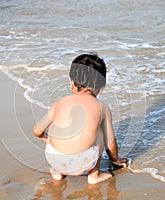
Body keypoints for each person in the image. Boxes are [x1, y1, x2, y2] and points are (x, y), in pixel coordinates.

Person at [33, 53, 128, 184]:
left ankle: (58, 172)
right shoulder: (102, 108)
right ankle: (94, 175)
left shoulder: (60, 102)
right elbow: (110, 143)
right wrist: (115, 160)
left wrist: (48, 139)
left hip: (54, 158)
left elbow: (37, 131)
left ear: (70, 81)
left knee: (58, 132)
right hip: (84, 162)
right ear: (102, 87)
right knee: (100, 134)